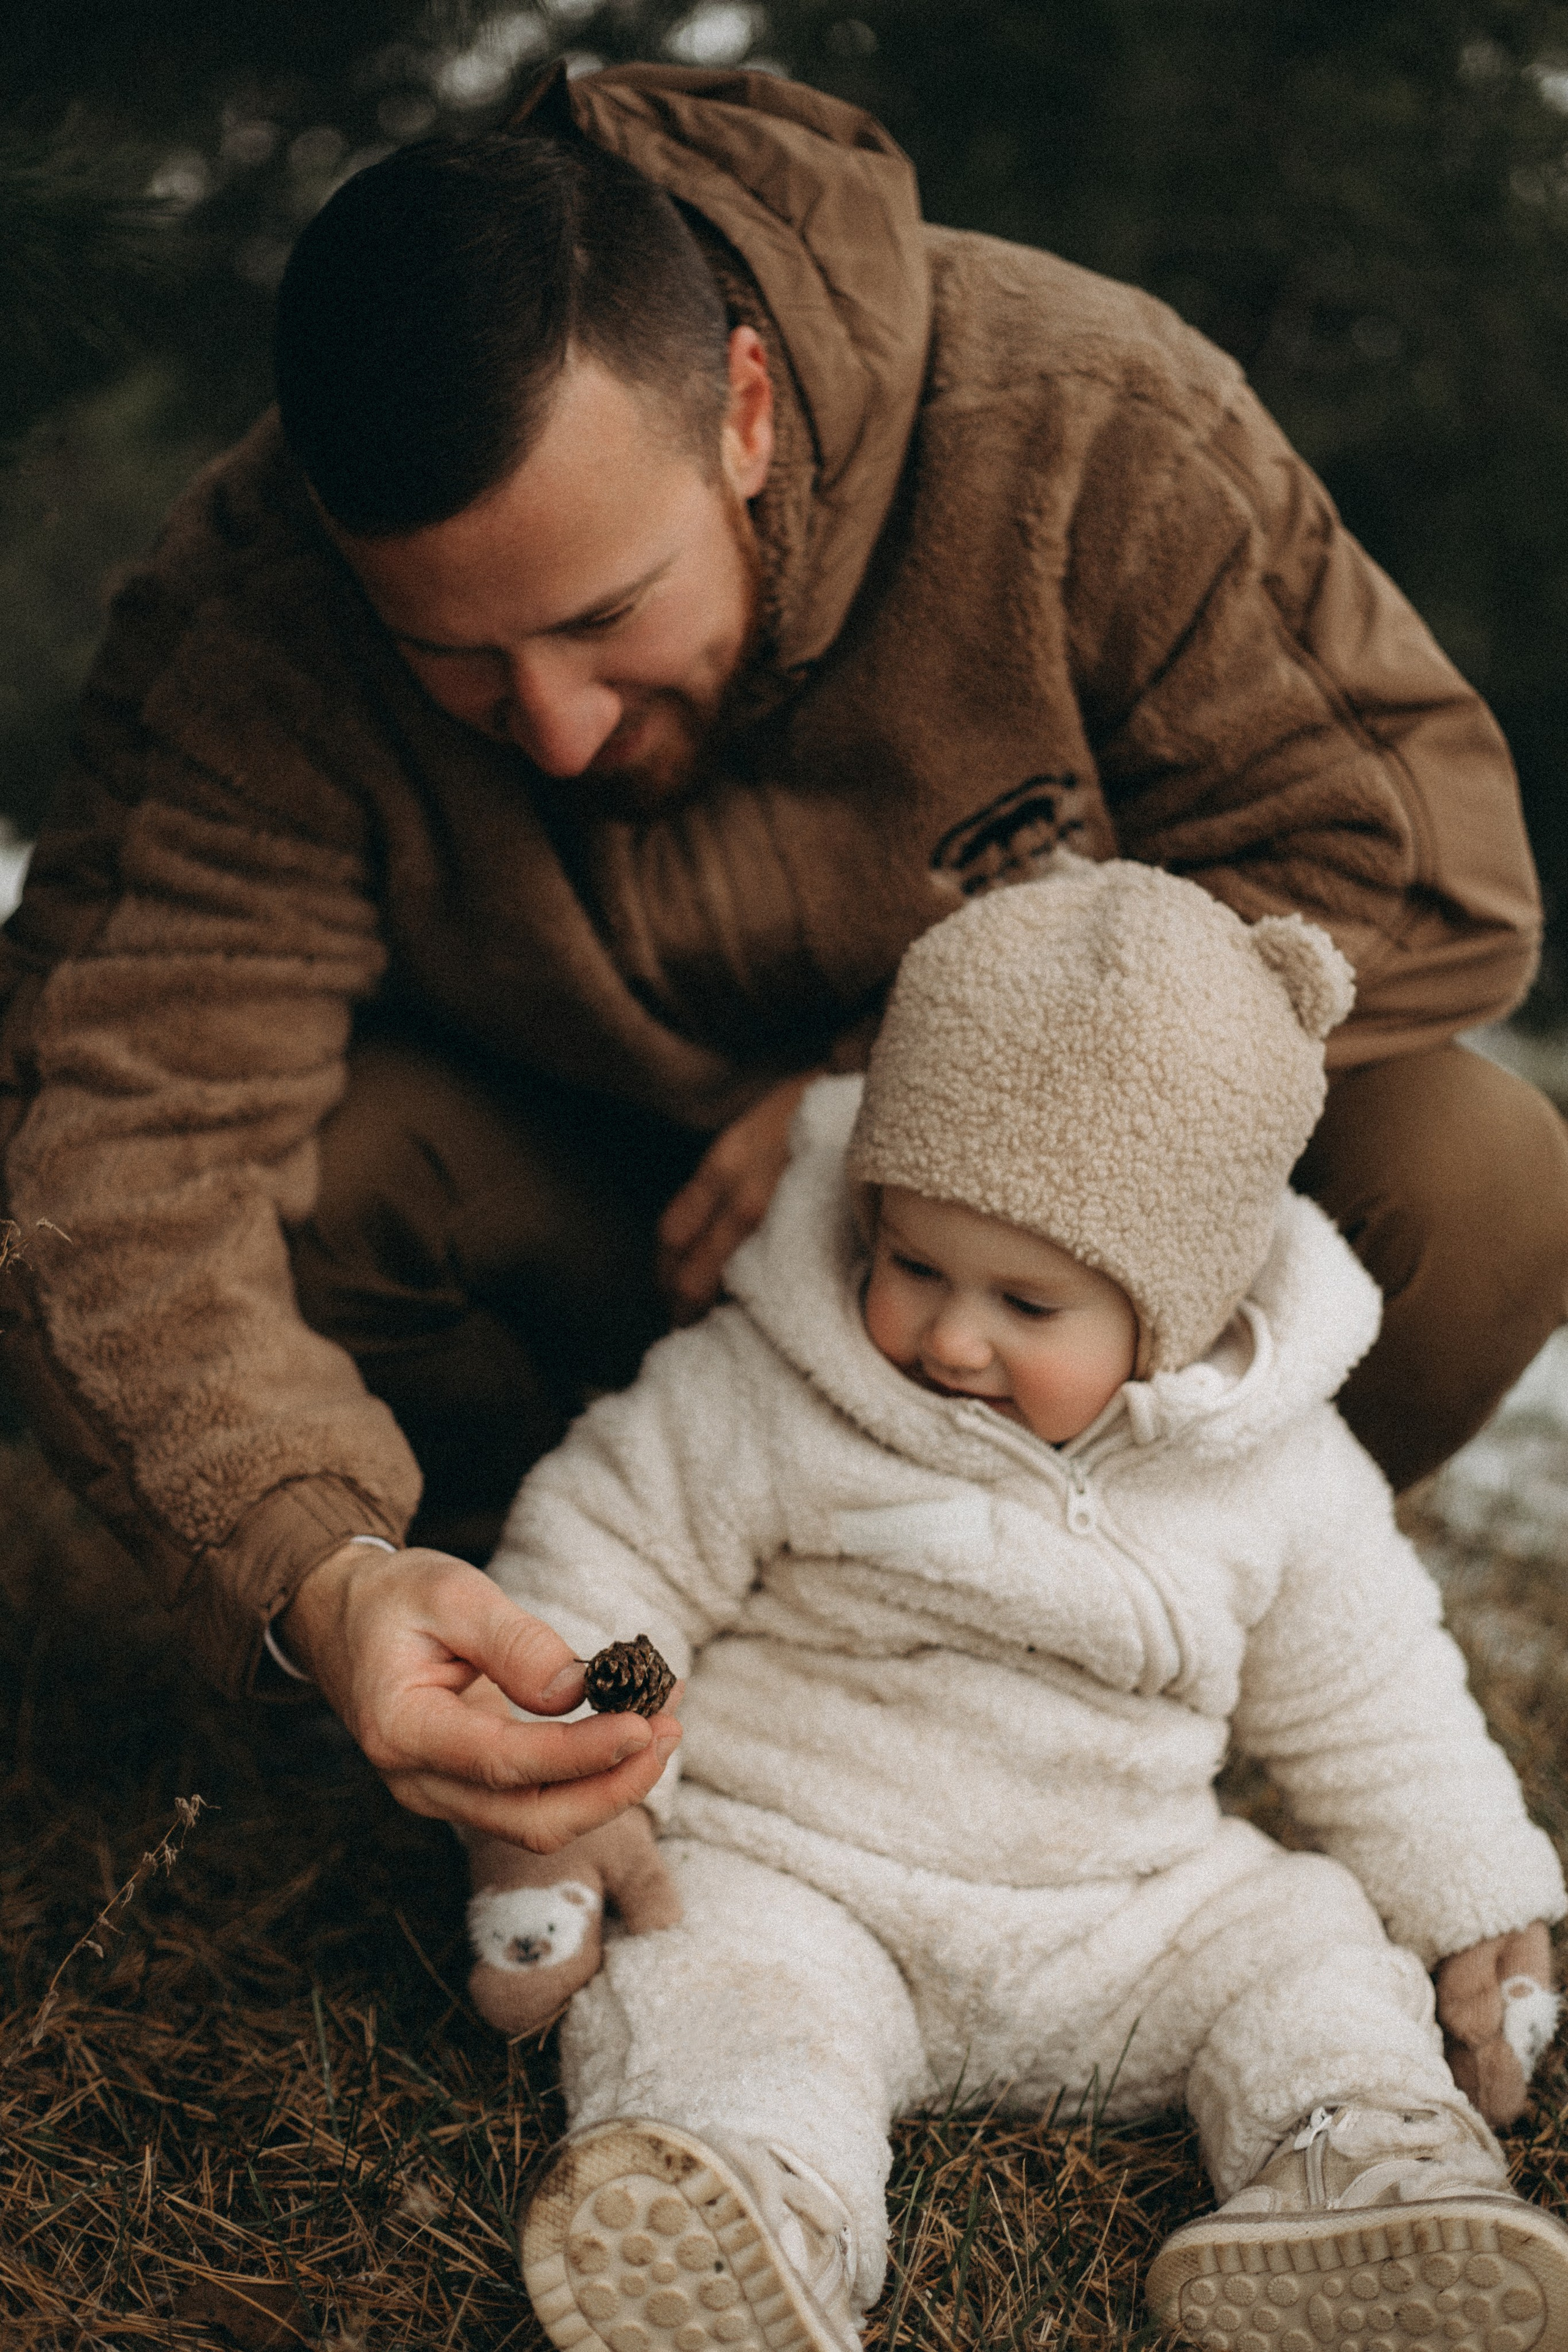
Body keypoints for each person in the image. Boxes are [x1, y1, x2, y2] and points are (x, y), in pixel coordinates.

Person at [1, 61, 1566, 1845]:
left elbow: (1413, 872)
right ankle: (559, 1674)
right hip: (595, 1258)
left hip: (1034, 1267)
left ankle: (1108, 1659)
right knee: (304, 1184)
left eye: (606, 616)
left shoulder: (1082, 420)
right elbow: (116, 1141)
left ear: (744, 409)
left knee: (1472, 1178)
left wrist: (875, 1091)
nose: (559, 730)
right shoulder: (255, 604)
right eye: (456, 662)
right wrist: (323, 1572)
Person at [470, 861, 1568, 2352]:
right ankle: (754, 2200)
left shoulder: (1275, 1469)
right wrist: (563, 1770)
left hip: (1128, 1912)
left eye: (1027, 1305)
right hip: (806, 1870)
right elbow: (608, 1558)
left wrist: (1474, 1897)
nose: (947, 1338)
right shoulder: (771, 1387)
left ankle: (1355, 2169)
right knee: (718, 1985)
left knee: (1306, 1941)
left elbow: (1374, 1698)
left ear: (1173, 1306)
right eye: (911, 1263)